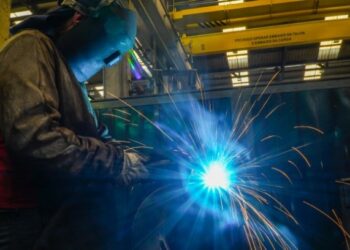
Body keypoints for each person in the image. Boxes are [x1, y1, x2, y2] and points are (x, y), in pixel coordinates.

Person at [0, 0, 148, 249]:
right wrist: (116, 162)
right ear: (77, 20)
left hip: (44, 210)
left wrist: (137, 157)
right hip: (14, 214)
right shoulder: (31, 46)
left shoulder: (68, 76)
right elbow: (36, 138)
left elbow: (96, 134)